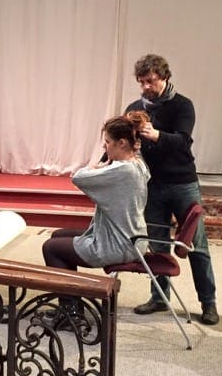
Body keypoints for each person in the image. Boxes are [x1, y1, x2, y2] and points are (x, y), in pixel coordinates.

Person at [127, 54, 219, 325]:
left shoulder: (182, 105)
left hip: (182, 183)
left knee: (196, 245)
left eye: (151, 81)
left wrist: (156, 135)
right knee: (157, 244)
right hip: (152, 185)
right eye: (141, 82)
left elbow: (182, 142)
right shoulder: (134, 107)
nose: (145, 87)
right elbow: (123, 140)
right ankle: (158, 297)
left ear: (165, 78)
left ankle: (208, 303)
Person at [41, 112, 151, 330]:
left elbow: (79, 177)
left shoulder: (122, 170)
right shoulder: (138, 164)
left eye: (108, 143)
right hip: (135, 238)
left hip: (119, 244)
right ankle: (70, 303)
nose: (105, 149)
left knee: (51, 248)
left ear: (121, 143)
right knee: (58, 235)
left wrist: (97, 168)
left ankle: (71, 314)